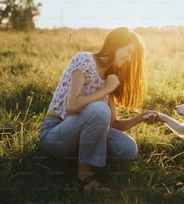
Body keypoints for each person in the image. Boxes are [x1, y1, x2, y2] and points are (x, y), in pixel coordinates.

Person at [39, 27, 160, 191]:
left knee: (127, 148)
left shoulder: (109, 77)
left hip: (81, 135)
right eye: (129, 51)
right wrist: (105, 90)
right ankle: (85, 175)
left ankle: (80, 158)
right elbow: (72, 106)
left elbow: (112, 123)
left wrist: (142, 117)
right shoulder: (84, 60)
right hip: (55, 134)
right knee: (100, 109)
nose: (130, 59)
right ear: (117, 45)